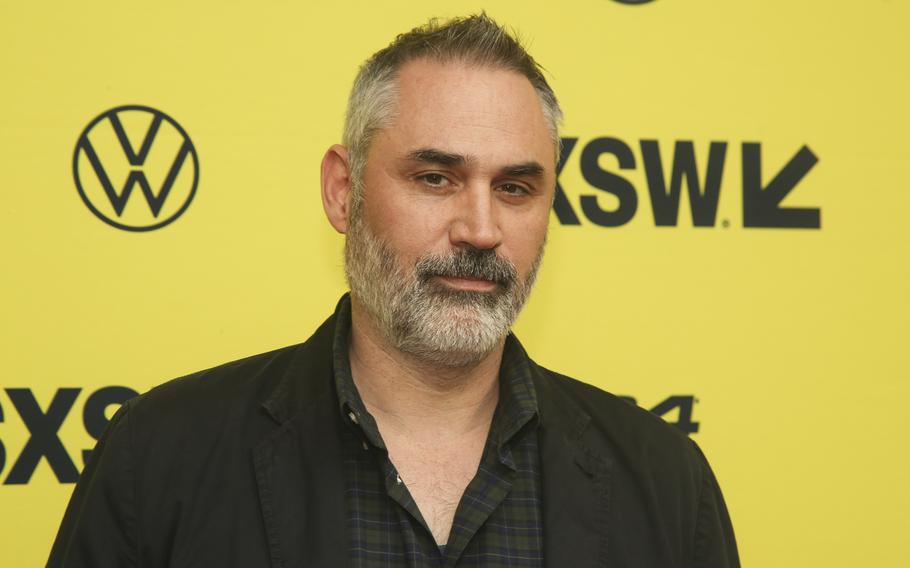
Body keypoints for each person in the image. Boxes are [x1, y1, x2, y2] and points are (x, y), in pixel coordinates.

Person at [48, 14, 739, 568]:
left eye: (515, 188)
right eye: (435, 178)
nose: (481, 228)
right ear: (343, 192)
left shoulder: (666, 483)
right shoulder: (161, 457)